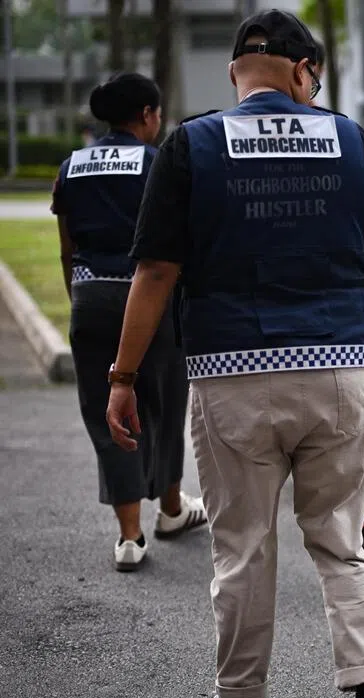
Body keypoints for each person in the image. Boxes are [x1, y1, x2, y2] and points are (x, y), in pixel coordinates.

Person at [104, 9, 364, 698]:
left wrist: (123, 376)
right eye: (314, 77)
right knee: (342, 544)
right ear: (300, 70)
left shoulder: (190, 143)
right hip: (344, 373)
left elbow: (156, 270)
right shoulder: (352, 139)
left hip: (235, 376)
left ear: (234, 73)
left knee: (244, 547)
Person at [52, 73, 206, 573]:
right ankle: (172, 510)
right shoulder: (157, 162)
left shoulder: (70, 167)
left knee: (106, 414)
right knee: (161, 406)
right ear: (146, 115)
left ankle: (129, 537)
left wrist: (82, 298)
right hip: (151, 300)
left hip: (91, 296)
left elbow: (66, 246)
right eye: (157, 115)